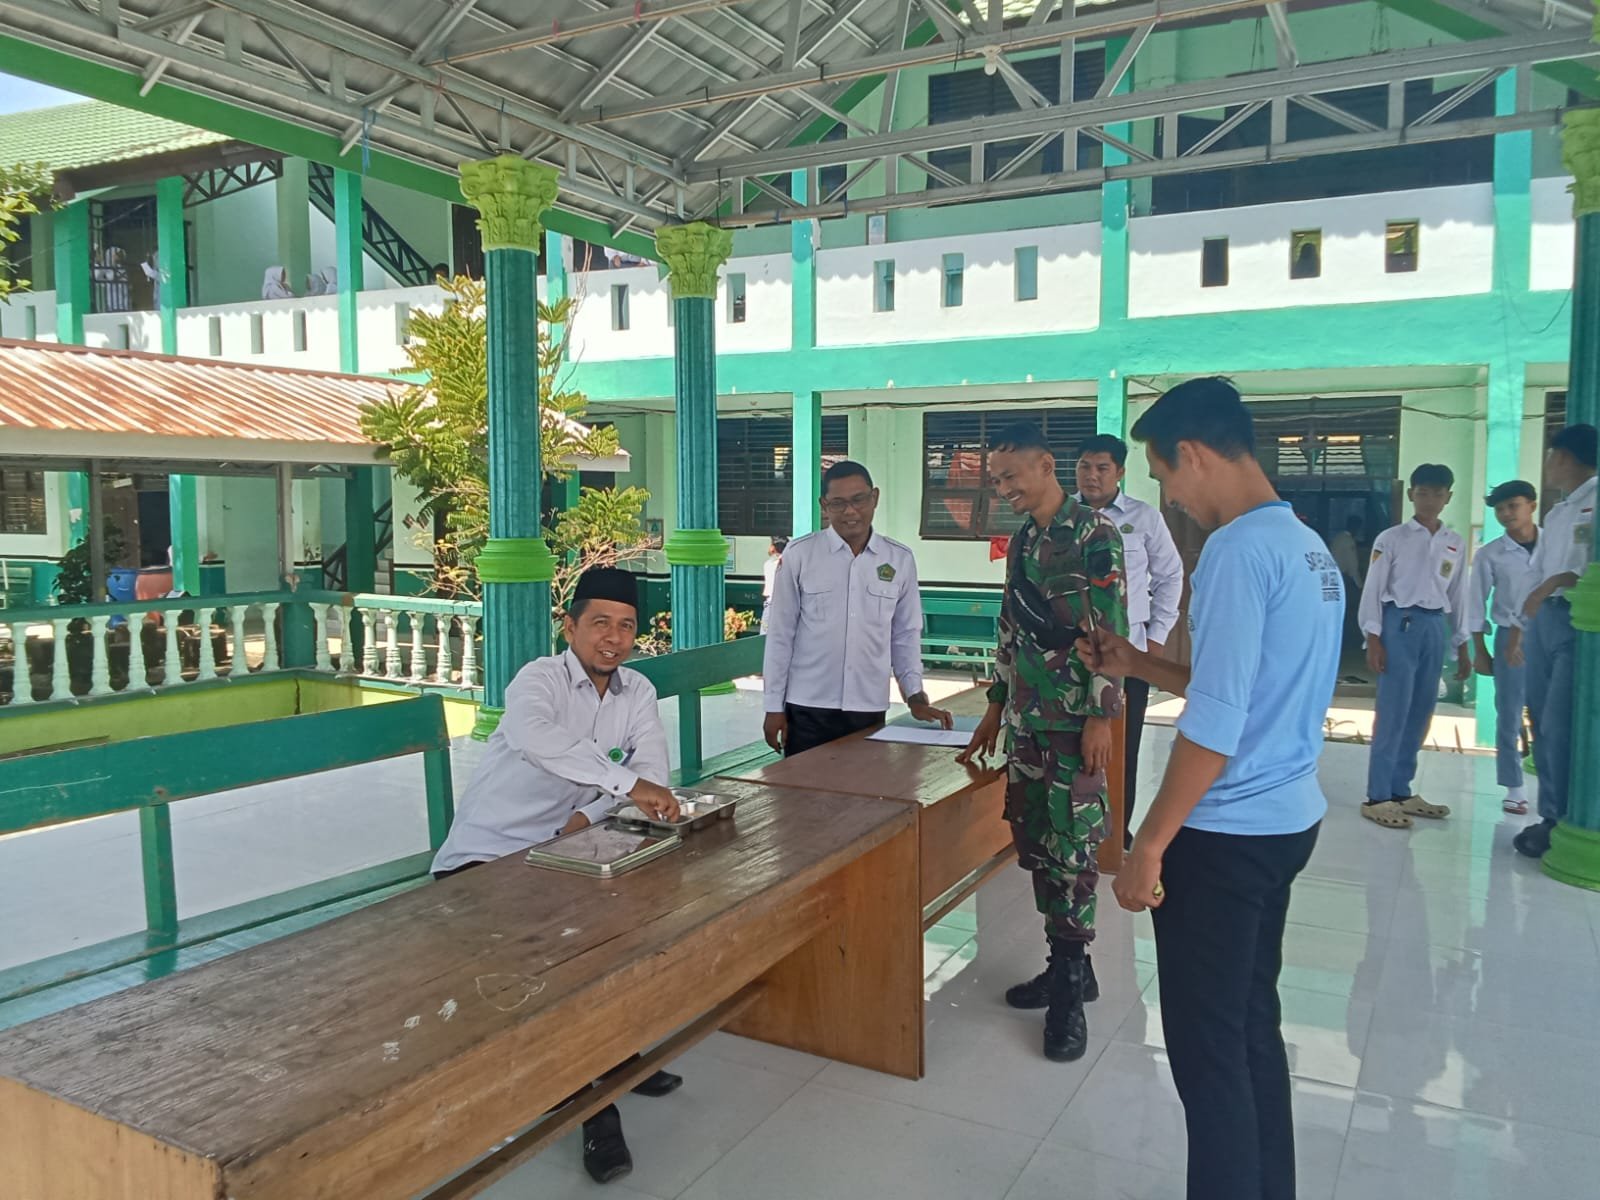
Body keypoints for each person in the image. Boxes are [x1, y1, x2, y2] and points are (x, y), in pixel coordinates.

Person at [1078, 377, 1342, 1200]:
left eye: (1165, 475)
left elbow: (1218, 722)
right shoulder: (1305, 546)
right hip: (1287, 821)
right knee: (1250, 1029)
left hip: (1226, 837)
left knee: (1208, 1056)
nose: (1172, 498)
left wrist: (1147, 845)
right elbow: (1248, 685)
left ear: (1192, 453)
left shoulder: (1233, 550)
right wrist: (1139, 662)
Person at [430, 567, 684, 1185]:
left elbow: (651, 770)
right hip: (487, 857)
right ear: (569, 627)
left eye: (626, 626)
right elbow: (539, 740)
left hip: (564, 848)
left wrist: (587, 813)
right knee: (543, 966)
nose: (613, 638)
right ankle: (593, 1110)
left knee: (629, 923)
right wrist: (625, 787)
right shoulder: (537, 680)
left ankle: (615, 1052)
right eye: (599, 623)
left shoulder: (637, 692)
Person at [957, 422, 1127, 1064]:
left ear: (1047, 465)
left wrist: (1102, 716)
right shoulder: (1024, 538)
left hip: (1075, 722)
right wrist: (994, 706)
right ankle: (1067, 967)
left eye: (1011, 476)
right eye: (996, 480)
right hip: (1029, 719)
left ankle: (1069, 995)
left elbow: (1111, 630)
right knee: (1037, 841)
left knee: (1073, 847)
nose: (1003, 489)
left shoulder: (1094, 535)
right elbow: (1011, 628)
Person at [762, 461, 951, 756]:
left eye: (859, 500)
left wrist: (915, 695)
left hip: (868, 706)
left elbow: (905, 634)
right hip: (807, 707)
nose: (850, 511)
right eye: (838, 503)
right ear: (824, 506)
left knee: (865, 784)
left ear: (874, 498)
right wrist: (773, 707)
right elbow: (780, 635)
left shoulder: (899, 559)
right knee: (802, 785)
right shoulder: (800, 555)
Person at [1073, 433, 1184, 850]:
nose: (1092, 476)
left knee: (1123, 748)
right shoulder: (1062, 516)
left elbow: (1170, 576)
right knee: (1070, 743)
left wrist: (1155, 638)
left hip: (1128, 655)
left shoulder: (1144, 517)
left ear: (1119, 472)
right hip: (1071, 654)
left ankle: (1116, 833)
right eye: (1084, 466)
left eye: (1102, 468)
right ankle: (1075, 830)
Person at [1357, 464, 1472, 830]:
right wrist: (1373, 638)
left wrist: (1463, 644)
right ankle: (1378, 796)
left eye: (1438, 493)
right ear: (1411, 494)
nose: (1430, 500)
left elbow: (1460, 593)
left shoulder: (1454, 542)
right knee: (1393, 710)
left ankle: (1401, 789)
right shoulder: (1391, 539)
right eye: (1423, 492)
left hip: (1434, 625)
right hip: (1399, 624)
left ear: (1448, 497)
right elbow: (1373, 588)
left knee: (1422, 709)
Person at [1505, 423, 1597, 858]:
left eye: (1550, 456)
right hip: (1544, 621)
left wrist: (1551, 585)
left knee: (1562, 724)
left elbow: (1581, 572)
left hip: (1579, 620)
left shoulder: (1596, 502)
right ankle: (1550, 815)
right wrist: (1521, 629)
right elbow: (1537, 573)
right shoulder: (1560, 512)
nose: (1547, 465)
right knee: (1540, 719)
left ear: (1563, 457)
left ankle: (1563, 817)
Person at [1468, 480, 1540, 814]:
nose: (1506, 513)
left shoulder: (1555, 544)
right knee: (1509, 713)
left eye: (1513, 505)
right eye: (1499, 509)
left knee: (1551, 712)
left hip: (1550, 633)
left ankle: (1553, 784)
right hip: (1509, 636)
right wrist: (1479, 650)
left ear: (1532, 506)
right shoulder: (1490, 554)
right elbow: (1475, 602)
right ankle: (1514, 786)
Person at [1329, 515, 1366, 650]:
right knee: (1352, 612)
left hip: (1333, 579)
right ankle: (1350, 642)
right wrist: (1360, 586)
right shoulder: (1348, 541)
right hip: (1345, 580)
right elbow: (1352, 566)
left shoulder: (1338, 538)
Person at [760, 534, 789, 633]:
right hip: (788, 606)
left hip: (772, 604)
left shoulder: (769, 564)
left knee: (764, 635)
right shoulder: (790, 563)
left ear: (773, 547)